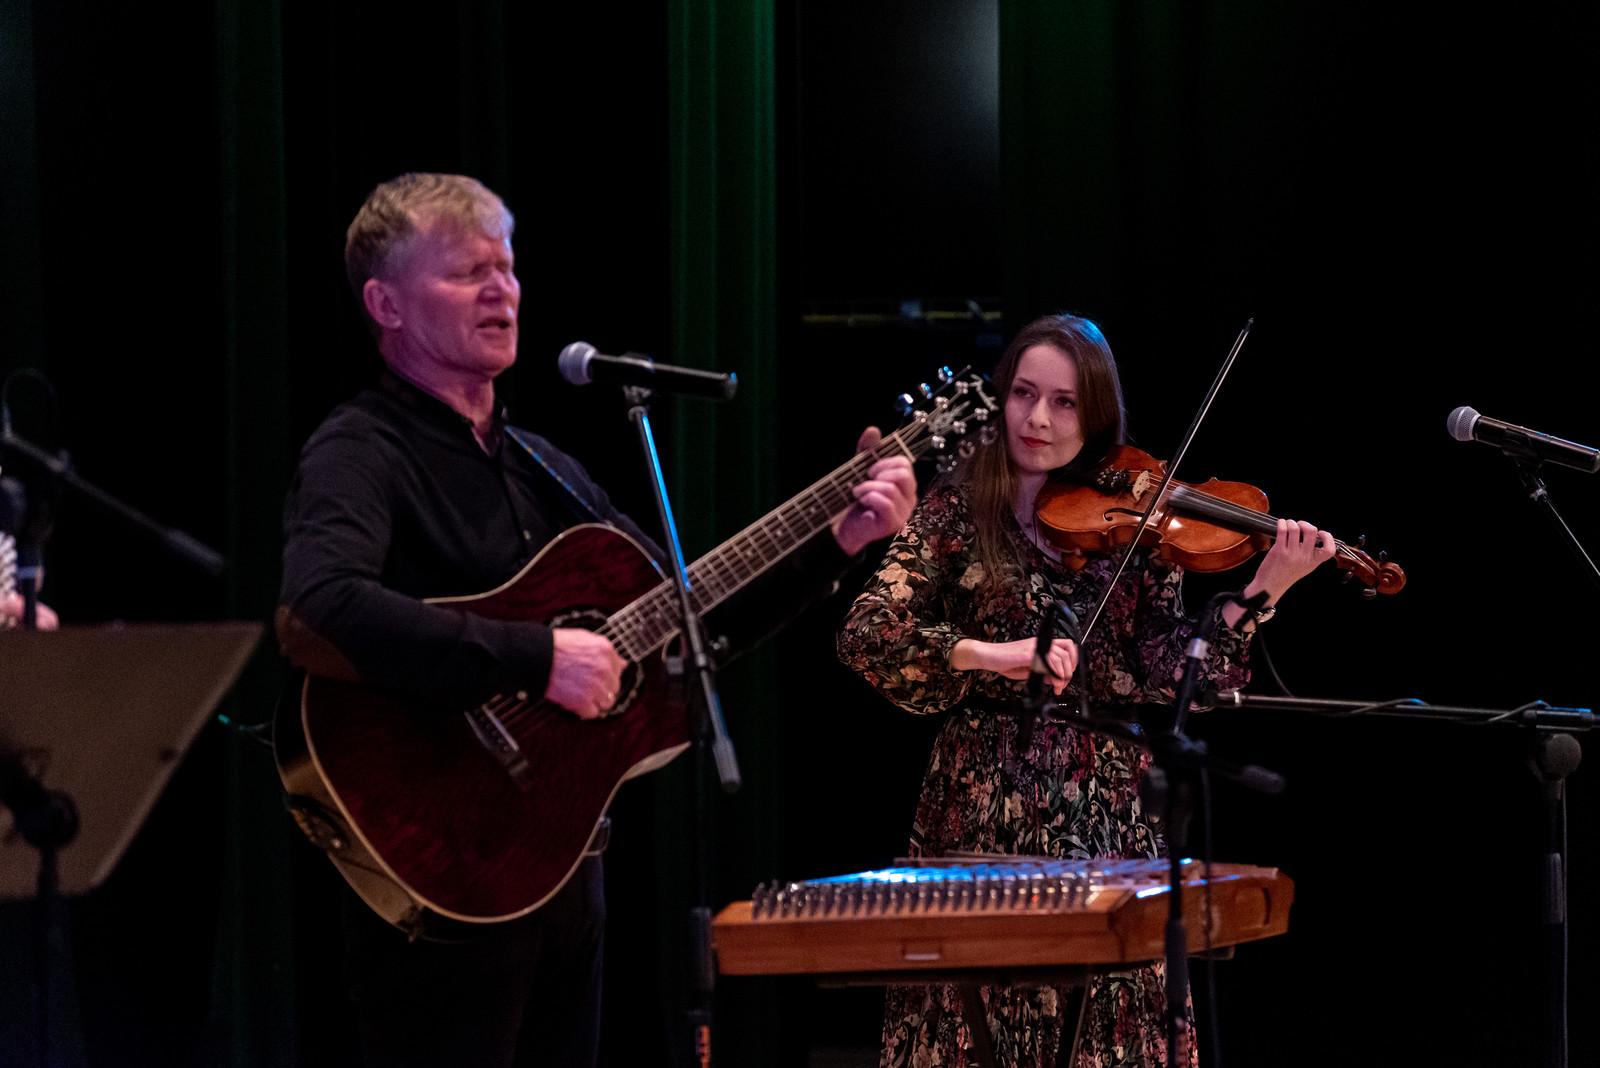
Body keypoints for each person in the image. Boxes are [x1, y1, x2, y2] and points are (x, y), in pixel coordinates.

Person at [274, 173, 914, 1068]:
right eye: (466, 272)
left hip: (564, 866)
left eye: (506, 267)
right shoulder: (360, 449)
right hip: (443, 869)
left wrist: (839, 540)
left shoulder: (544, 467)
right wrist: (535, 658)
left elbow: (691, 627)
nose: (500, 289)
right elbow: (317, 607)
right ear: (386, 305)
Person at [836, 313, 1335, 1068]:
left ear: (1096, 414)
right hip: (982, 800)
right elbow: (868, 632)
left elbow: (1172, 673)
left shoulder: (1140, 519)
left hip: (1108, 806)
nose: (1037, 418)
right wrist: (992, 655)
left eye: (1064, 402)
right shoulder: (957, 506)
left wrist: (1264, 591)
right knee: (972, 1023)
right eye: (1023, 393)